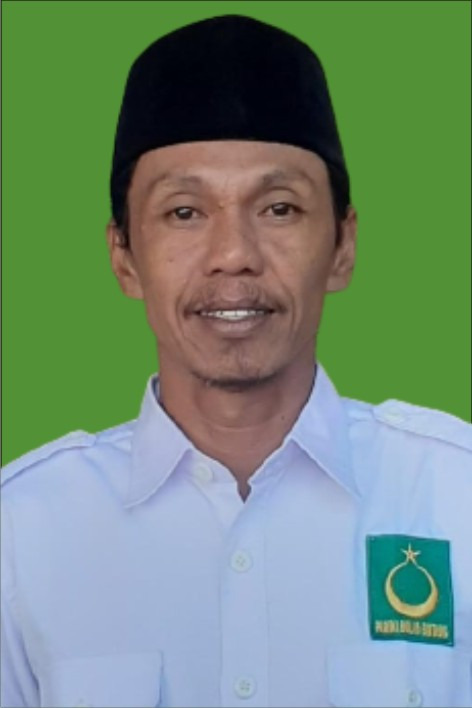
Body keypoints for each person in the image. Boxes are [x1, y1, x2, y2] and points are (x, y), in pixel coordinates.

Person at [1, 14, 471, 708]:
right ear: (123, 257)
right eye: (184, 213)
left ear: (342, 247)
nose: (233, 255)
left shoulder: (455, 496)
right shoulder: (21, 531)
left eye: (279, 208)